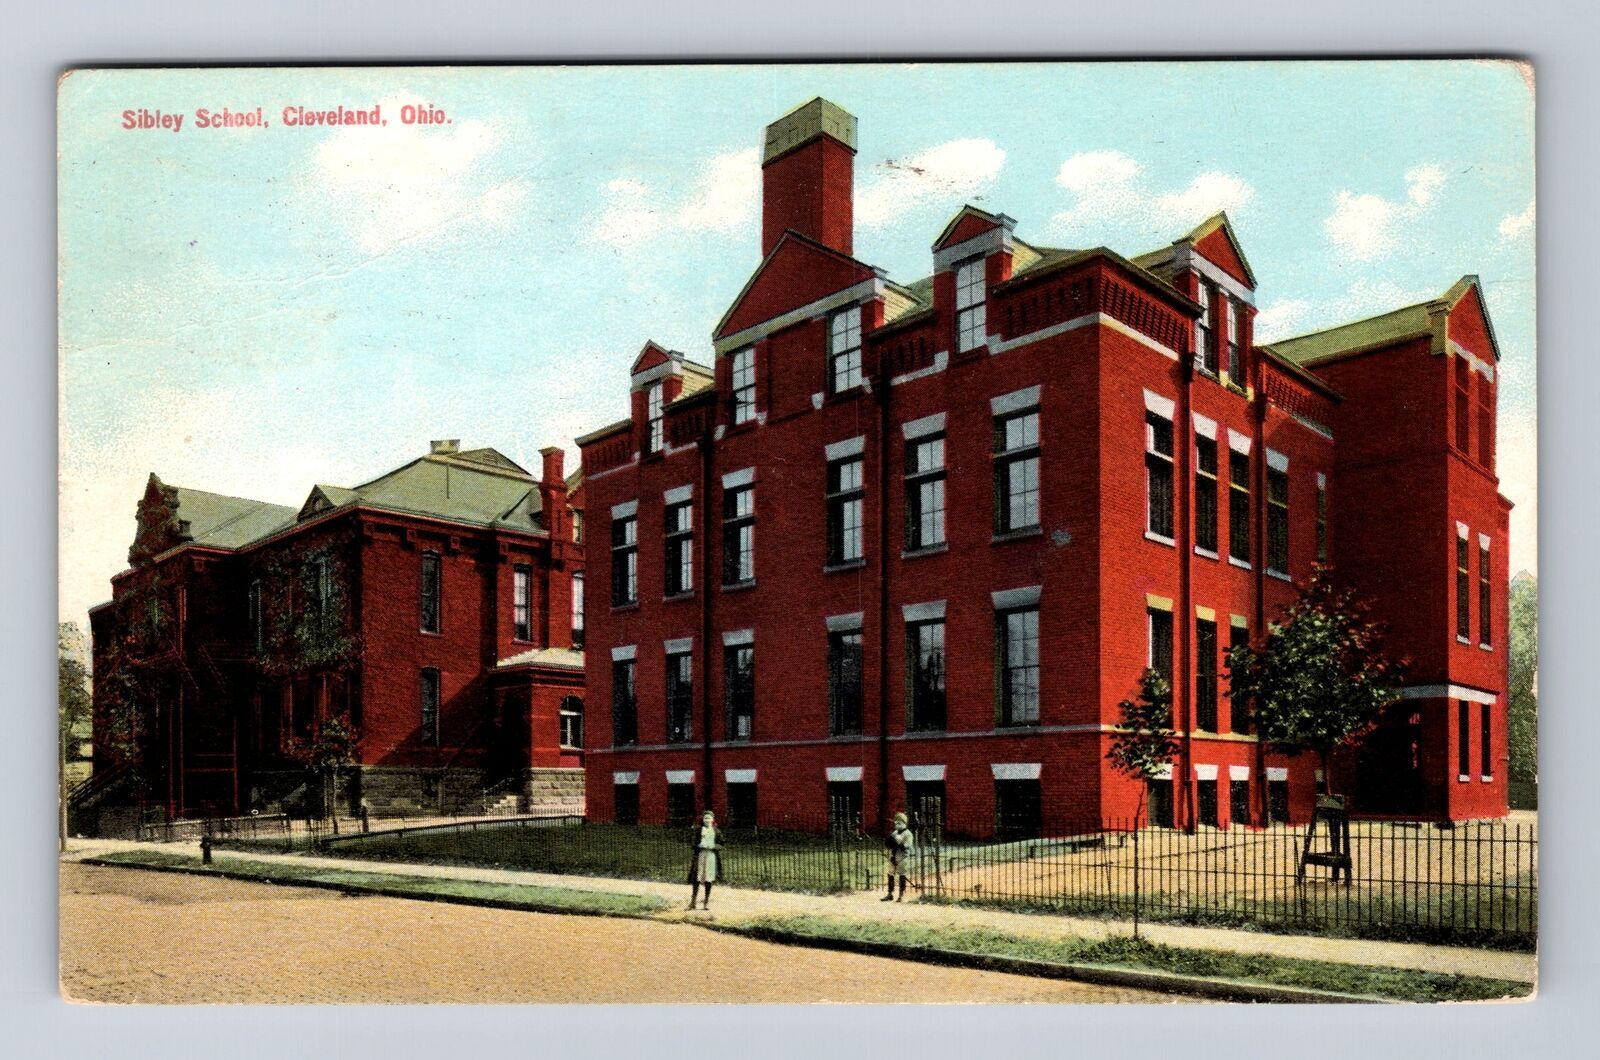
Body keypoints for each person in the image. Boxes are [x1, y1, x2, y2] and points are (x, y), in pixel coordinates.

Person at [687, 810, 722, 910]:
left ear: (713, 819)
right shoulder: (698, 830)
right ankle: (693, 902)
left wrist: (714, 846)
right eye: (705, 818)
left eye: (709, 818)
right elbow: (692, 842)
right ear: (702, 819)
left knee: (708, 878)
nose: (707, 820)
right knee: (697, 877)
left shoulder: (716, 831)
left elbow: (721, 843)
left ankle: (706, 902)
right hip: (700, 855)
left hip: (711, 856)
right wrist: (699, 845)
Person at [882, 812, 915, 902]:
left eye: (899, 822)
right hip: (893, 856)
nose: (897, 824)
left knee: (902, 875)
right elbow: (889, 843)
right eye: (896, 822)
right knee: (890, 874)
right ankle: (890, 893)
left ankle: (901, 894)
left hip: (903, 857)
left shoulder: (908, 834)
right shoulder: (895, 832)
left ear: (904, 823)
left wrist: (899, 844)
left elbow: (908, 845)